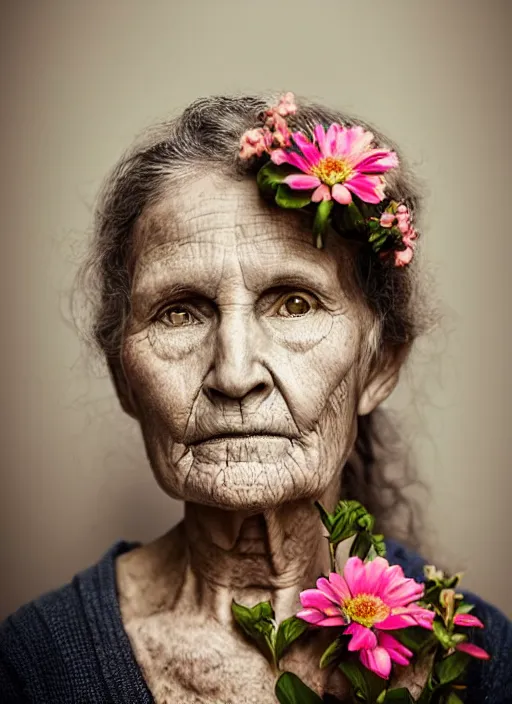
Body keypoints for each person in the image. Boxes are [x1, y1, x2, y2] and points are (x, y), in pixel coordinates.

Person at [0, 93, 510, 703]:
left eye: (295, 302)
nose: (235, 374)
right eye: (180, 312)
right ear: (123, 380)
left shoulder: (482, 662)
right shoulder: (32, 670)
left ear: (379, 365)